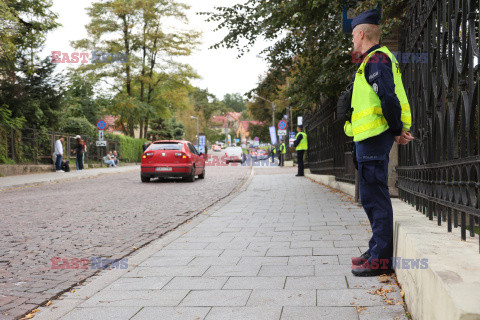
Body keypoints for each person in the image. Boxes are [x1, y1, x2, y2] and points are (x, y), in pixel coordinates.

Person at [344, 9, 414, 277]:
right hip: (368, 138)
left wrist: (396, 130)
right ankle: (376, 249)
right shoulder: (373, 60)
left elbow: (388, 98)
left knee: (376, 197)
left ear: (361, 33)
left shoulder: (377, 58)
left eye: (353, 35)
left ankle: (381, 260)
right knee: (371, 198)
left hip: (375, 138)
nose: (352, 40)